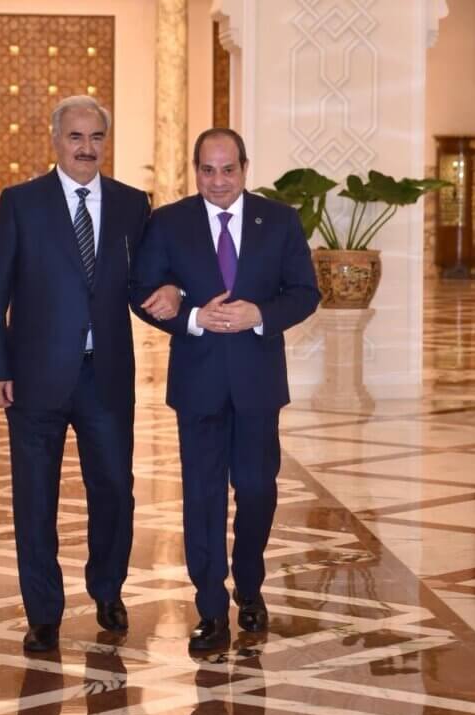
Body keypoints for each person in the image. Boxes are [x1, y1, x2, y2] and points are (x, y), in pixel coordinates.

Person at [0, 96, 179, 652]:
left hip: (105, 377)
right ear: (55, 140)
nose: (86, 148)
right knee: (34, 498)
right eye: (75, 137)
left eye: (96, 137)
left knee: (114, 490)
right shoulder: (21, 203)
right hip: (33, 377)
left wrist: (173, 293)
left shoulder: (132, 204)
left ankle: (108, 589)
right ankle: (43, 612)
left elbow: (143, 282)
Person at [130, 128, 320, 652]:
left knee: (257, 490)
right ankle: (210, 606)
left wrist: (261, 314)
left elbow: (305, 292)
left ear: (244, 168)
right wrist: (191, 316)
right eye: (208, 170)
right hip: (199, 383)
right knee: (203, 495)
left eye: (228, 169)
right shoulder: (169, 222)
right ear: (196, 170)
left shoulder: (278, 221)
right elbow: (142, 289)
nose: (218, 181)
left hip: (258, 383)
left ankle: (250, 585)